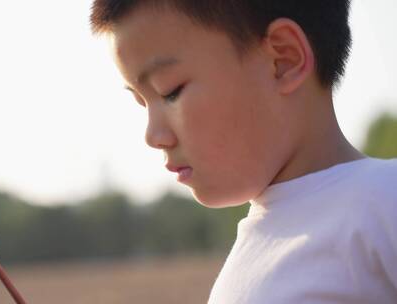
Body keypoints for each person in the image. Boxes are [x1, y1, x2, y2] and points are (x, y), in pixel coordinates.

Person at [89, 0, 397, 303]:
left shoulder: (382, 197)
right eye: (141, 102)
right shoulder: (259, 243)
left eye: (170, 92)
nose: (153, 136)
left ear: (284, 60)